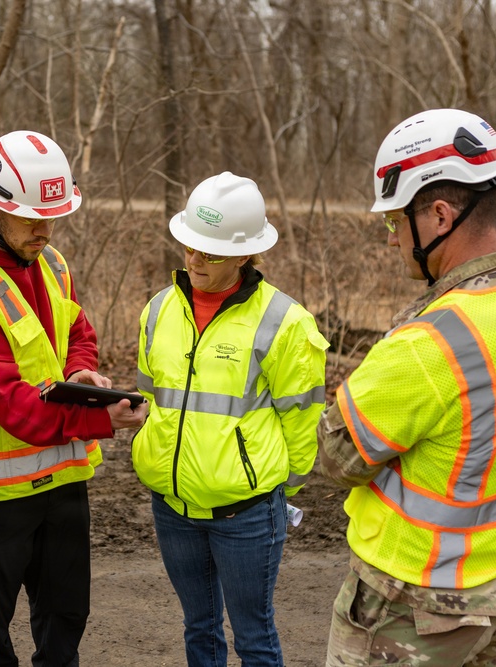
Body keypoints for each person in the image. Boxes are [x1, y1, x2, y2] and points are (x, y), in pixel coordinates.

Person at [318, 108, 496, 666]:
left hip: (408, 605)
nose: (390, 240)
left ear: (438, 215)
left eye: (394, 222)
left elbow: (335, 457)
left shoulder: (429, 345)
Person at [0, 130, 148, 667]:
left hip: (63, 483)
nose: (44, 231)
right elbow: (12, 404)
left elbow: (76, 330)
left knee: (66, 618)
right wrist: (100, 421)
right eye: (30, 218)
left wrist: (82, 371)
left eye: (51, 217)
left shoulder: (50, 262)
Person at [132, 172, 329, 667]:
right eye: (189, 247)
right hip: (172, 507)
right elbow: (149, 399)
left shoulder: (286, 322)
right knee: (198, 628)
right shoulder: (158, 310)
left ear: (244, 255)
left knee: (253, 636)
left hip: (247, 515)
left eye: (211, 253)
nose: (195, 260)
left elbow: (303, 423)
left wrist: (282, 494)